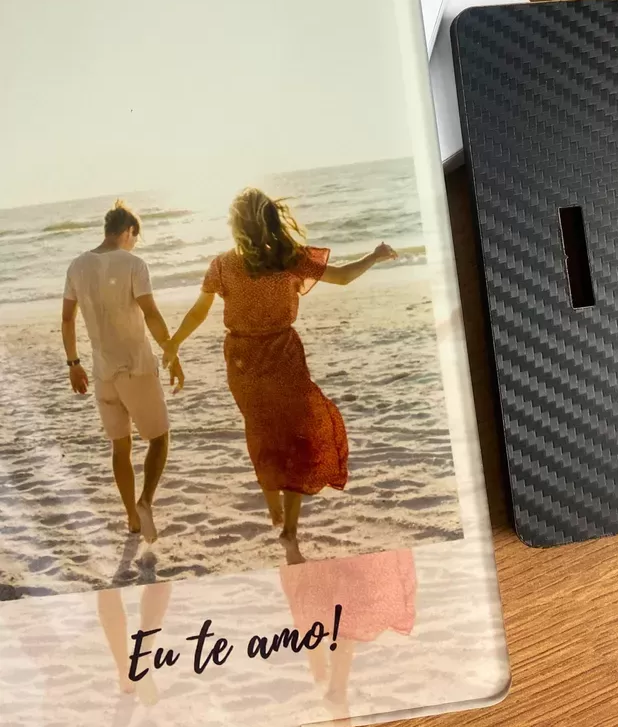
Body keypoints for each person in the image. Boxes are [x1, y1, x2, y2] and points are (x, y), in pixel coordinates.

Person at [162, 187, 397, 564]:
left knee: (261, 429)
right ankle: (289, 528)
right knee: (297, 438)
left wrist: (174, 343)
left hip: (243, 361)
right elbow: (343, 277)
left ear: (235, 225)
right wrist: (375, 255)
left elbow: (198, 312)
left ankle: (271, 497)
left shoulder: (222, 265)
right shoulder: (288, 258)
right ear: (270, 220)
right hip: (283, 356)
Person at [62, 201, 184, 544]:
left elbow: (67, 319)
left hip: (102, 372)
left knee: (120, 446)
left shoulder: (76, 266)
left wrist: (73, 364)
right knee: (159, 439)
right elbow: (151, 314)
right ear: (128, 231)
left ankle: (131, 516)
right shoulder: (134, 264)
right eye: (135, 237)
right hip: (136, 367)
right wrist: (171, 351)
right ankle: (145, 502)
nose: (134, 243)